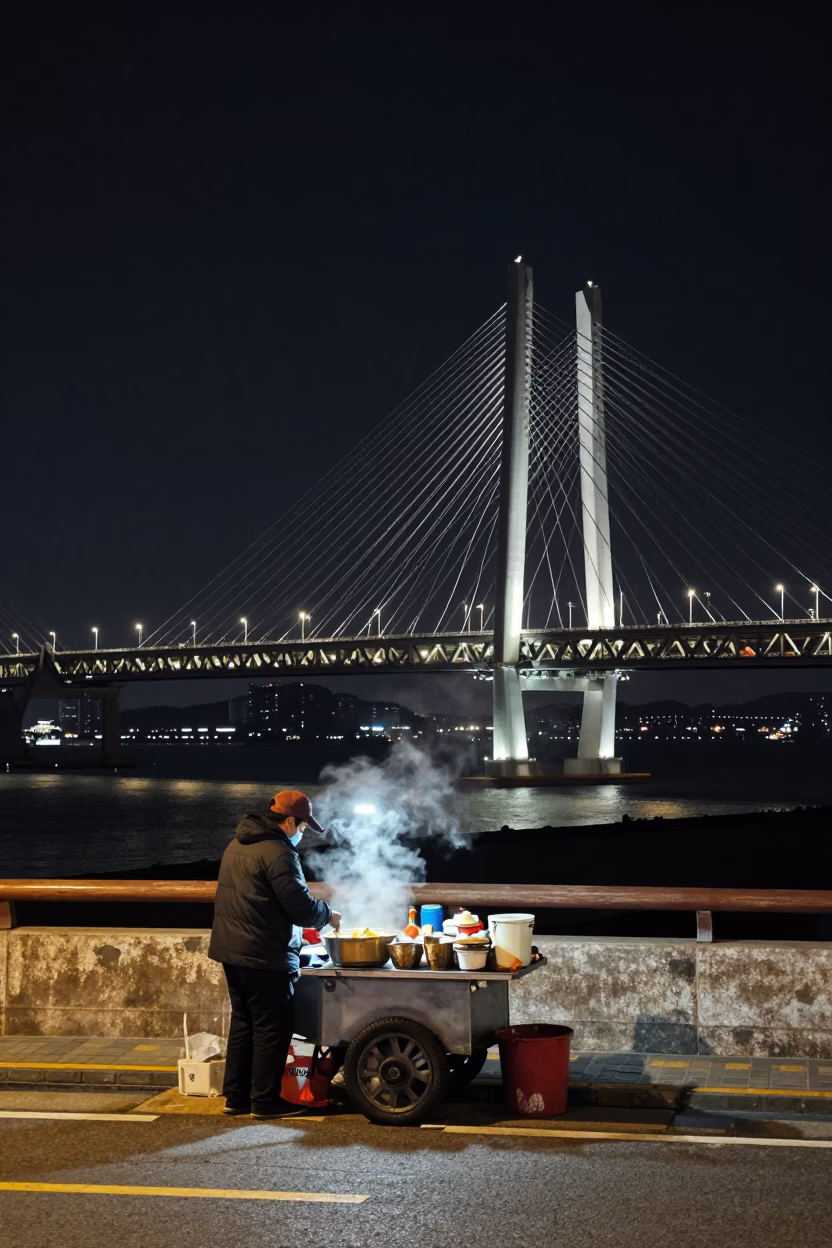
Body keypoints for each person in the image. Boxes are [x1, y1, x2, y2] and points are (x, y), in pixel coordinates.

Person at [208, 789, 341, 1118]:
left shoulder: (238, 843)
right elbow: (300, 908)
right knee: (272, 1028)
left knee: (244, 1024)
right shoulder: (279, 852)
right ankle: (265, 1101)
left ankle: (236, 1097)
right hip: (263, 954)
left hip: (231, 949)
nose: (303, 833)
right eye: (304, 826)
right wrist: (328, 915)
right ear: (290, 821)